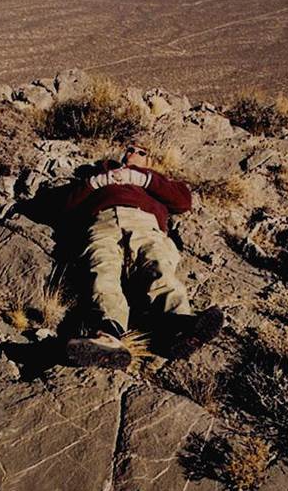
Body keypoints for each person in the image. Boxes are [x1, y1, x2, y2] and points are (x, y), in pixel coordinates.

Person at [61, 142, 223, 369]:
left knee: (159, 266)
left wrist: (142, 178)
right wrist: (98, 182)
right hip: (103, 222)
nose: (133, 153)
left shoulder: (156, 180)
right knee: (102, 269)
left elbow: (183, 201)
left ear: (149, 160)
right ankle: (109, 336)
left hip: (144, 223)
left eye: (141, 151)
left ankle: (179, 328)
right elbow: (66, 205)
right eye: (130, 149)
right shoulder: (99, 174)